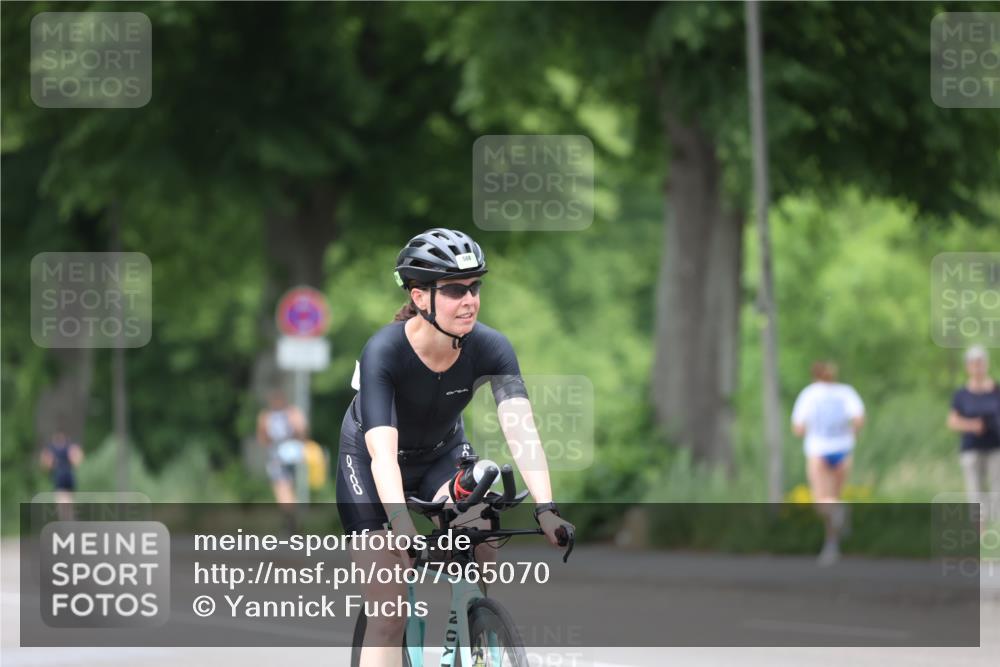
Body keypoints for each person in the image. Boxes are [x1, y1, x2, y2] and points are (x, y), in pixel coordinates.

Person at [336, 228, 574, 667]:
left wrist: (546, 507)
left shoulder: (492, 347)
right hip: (371, 466)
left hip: (440, 456)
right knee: (389, 613)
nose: (470, 299)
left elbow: (522, 431)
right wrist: (399, 521)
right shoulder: (384, 351)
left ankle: (470, 628)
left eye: (475, 287)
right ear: (419, 296)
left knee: (483, 518)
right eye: (454, 290)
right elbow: (381, 453)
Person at [791, 361, 865, 566]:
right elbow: (859, 419)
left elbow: (797, 427)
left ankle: (832, 544)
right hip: (843, 448)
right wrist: (851, 434)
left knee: (821, 501)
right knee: (834, 498)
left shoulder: (809, 394)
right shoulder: (845, 392)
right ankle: (832, 545)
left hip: (818, 450)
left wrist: (813, 431)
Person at [947, 345, 1000, 527]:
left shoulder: (996, 390)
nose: (978, 367)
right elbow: (952, 421)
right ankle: (981, 534)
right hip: (972, 448)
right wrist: (972, 425)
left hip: (995, 447)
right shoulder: (961, 394)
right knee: (975, 493)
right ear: (968, 367)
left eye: (981, 363)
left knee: (997, 490)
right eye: (974, 363)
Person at [257, 389, 309, 515]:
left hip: (280, 456)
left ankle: (291, 517)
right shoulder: (292, 413)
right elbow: (303, 432)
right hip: (292, 454)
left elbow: (263, 438)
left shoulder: (269, 415)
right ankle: (294, 515)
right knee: (288, 487)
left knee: (283, 488)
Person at [39, 430, 83, 520]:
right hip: (69, 474)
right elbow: (77, 458)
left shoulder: (51, 448)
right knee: (69, 500)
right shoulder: (69, 446)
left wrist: (51, 467)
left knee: (61, 500)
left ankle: (65, 520)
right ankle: (71, 519)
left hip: (59, 475)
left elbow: (46, 462)